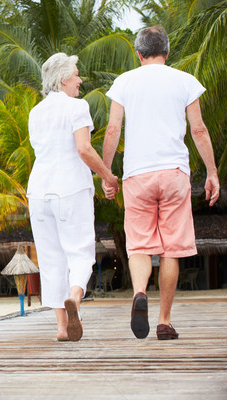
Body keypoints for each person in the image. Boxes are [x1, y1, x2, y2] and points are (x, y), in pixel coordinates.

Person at [102, 26, 220, 340]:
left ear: (138, 53)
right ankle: (164, 321)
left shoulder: (124, 81)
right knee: (171, 250)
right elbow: (199, 131)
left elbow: (113, 130)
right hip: (174, 173)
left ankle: (139, 292)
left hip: (137, 175)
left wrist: (106, 173)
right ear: (166, 52)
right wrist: (212, 172)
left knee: (139, 245)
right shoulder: (184, 80)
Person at [27, 53, 118, 342]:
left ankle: (62, 329)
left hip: (39, 191)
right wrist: (107, 175)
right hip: (70, 189)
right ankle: (75, 299)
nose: (80, 80)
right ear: (64, 78)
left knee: (51, 258)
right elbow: (84, 149)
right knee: (80, 252)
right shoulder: (77, 106)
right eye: (76, 75)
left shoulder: (35, 112)